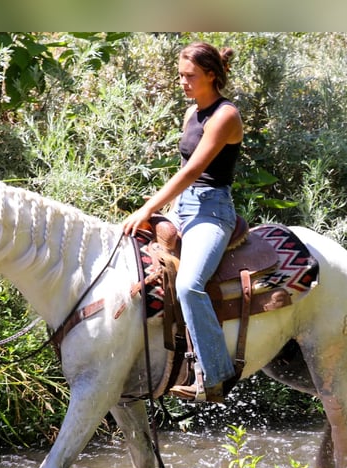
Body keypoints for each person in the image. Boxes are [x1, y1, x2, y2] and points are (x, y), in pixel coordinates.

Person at [122, 41, 243, 403]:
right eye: (180, 76)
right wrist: (159, 210)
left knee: (190, 285)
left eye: (189, 76)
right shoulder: (191, 114)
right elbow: (182, 171)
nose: (183, 82)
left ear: (211, 75)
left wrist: (147, 208)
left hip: (213, 211)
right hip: (184, 207)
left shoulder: (226, 116)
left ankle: (216, 374)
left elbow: (193, 171)